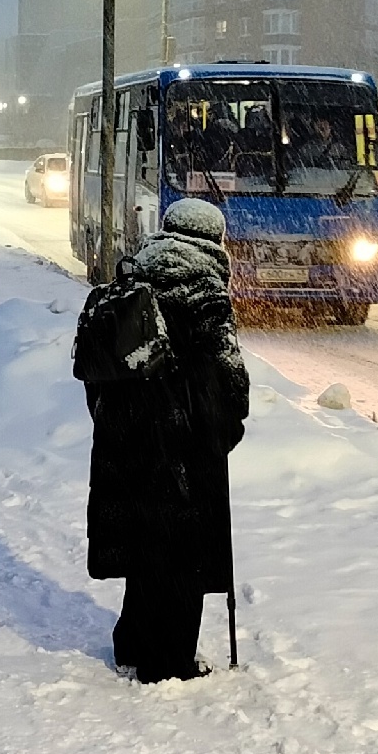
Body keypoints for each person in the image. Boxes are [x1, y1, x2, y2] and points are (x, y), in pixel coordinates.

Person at [74, 197, 249, 681]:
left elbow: (99, 375)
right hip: (181, 451)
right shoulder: (206, 293)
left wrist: (123, 424)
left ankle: (131, 643)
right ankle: (167, 663)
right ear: (213, 241)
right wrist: (219, 432)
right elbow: (229, 379)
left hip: (123, 445)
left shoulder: (129, 280)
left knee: (145, 548)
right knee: (181, 559)